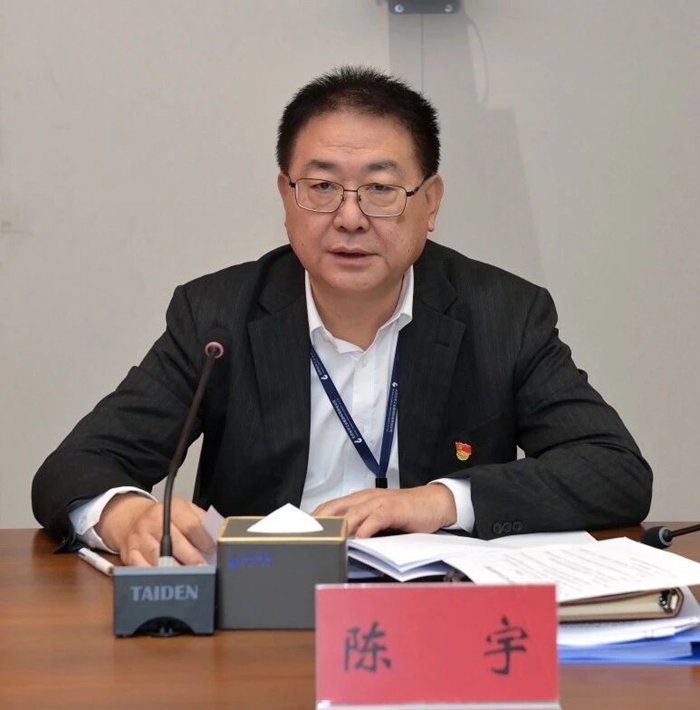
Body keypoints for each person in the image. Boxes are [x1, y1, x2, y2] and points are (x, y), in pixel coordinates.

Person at [32, 66, 652, 567]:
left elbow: (616, 472)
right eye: (322, 187)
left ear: (430, 203)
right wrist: (127, 516)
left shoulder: (504, 314)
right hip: (263, 616)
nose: (350, 218)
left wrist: (439, 501)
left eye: (381, 189)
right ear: (287, 197)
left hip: (439, 618)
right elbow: (70, 470)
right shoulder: (217, 314)